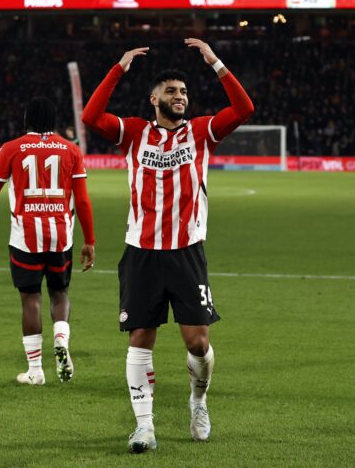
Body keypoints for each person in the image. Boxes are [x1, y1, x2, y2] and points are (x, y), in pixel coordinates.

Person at [80, 39, 254, 452]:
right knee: (140, 338)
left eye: (184, 91)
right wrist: (118, 68)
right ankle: (144, 427)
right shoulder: (134, 133)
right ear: (154, 99)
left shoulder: (202, 132)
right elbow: (90, 116)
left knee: (198, 343)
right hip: (141, 252)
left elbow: (244, 109)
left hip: (186, 252)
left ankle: (198, 401)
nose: (180, 97)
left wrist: (215, 62)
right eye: (171, 91)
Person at [0, 97, 95, 385]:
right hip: (60, 236)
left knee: (30, 299)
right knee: (60, 293)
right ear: (53, 120)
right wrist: (90, 240)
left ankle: (35, 371)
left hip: (25, 237)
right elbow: (83, 200)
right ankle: (61, 339)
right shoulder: (71, 149)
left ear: (27, 120)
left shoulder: (11, 148)